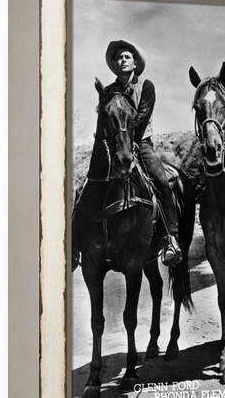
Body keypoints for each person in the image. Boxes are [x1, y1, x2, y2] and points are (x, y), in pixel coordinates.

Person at [74, 39, 182, 268]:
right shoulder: (110, 90)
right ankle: (74, 245)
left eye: (126, 57)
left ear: (135, 63)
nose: (122, 60)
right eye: (119, 58)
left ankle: (170, 237)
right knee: (85, 186)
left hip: (140, 143)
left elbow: (141, 118)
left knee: (162, 181)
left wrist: (128, 141)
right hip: (114, 147)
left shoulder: (146, 87)